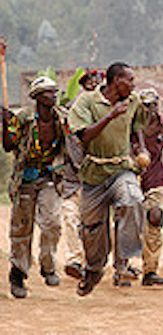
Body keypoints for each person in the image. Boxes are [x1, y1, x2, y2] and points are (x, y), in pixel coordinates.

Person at [68, 62, 149, 296]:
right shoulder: (86, 101)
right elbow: (84, 135)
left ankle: (124, 262)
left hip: (122, 168)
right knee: (91, 229)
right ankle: (93, 270)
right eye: (129, 80)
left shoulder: (133, 101)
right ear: (115, 81)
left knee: (133, 200)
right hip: (93, 174)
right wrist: (111, 116)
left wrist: (142, 149)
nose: (133, 85)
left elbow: (137, 125)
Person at [2, 76, 65, 298]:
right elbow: (9, 145)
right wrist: (6, 124)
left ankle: (48, 266)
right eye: (49, 92)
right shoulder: (24, 118)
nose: (53, 96)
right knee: (21, 229)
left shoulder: (61, 118)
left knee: (52, 223)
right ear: (37, 97)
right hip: (25, 180)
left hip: (49, 176)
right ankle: (18, 274)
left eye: (55, 92)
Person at [133, 88, 163, 286]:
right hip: (130, 177)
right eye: (146, 105)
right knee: (127, 221)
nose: (150, 109)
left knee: (154, 218)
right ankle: (122, 267)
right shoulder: (129, 125)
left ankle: (150, 270)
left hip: (155, 177)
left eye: (154, 105)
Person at [58, 101, 86, 280]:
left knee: (92, 227)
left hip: (92, 185)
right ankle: (74, 260)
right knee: (70, 219)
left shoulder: (93, 130)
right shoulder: (62, 133)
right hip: (69, 184)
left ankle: (93, 263)